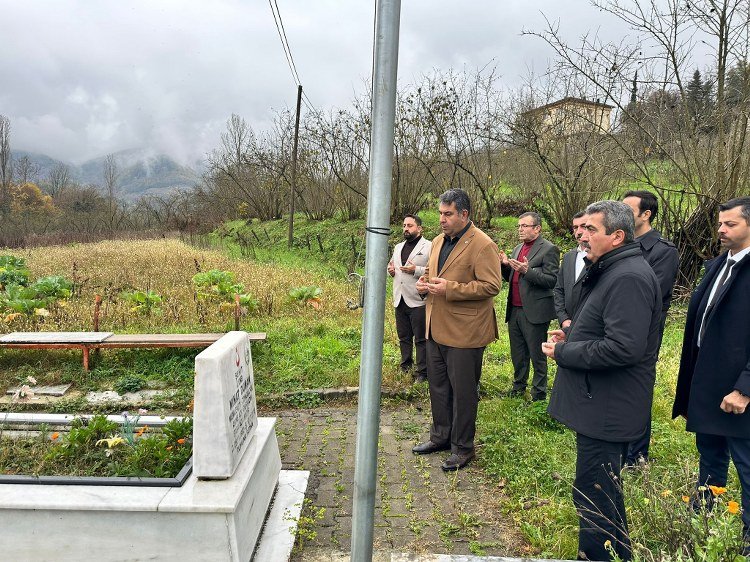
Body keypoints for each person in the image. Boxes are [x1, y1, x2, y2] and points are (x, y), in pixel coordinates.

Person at [543, 200, 661, 561]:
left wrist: (565, 352)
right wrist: (573, 336)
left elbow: (623, 348)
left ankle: (597, 556)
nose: (582, 236)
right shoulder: (612, 269)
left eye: (591, 229)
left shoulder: (628, 277)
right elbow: (607, 328)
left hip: (608, 407)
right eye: (581, 229)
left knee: (594, 493)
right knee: (601, 491)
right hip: (601, 403)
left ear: (617, 236)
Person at [672, 197, 750, 554]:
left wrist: (744, 388)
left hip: (739, 391)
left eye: (730, 224)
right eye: (720, 223)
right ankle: (701, 521)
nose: (720, 229)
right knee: (710, 456)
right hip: (708, 383)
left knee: (746, 464)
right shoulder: (719, 264)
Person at [412, 188, 501, 471]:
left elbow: (492, 286)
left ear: (464, 214)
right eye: (440, 213)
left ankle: (463, 448)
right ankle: (440, 437)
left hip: (466, 332)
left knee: (463, 393)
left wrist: (450, 288)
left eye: (448, 214)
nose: (442, 219)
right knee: (438, 387)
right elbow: (432, 273)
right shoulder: (439, 241)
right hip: (435, 326)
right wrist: (424, 284)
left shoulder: (483, 244)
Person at [621, 190, 679, 465]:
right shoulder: (620, 243)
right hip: (617, 329)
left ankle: (637, 455)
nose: (621, 215)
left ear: (646, 215)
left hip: (644, 334)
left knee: (638, 389)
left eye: (628, 210)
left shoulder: (663, 251)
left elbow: (650, 293)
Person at [500, 212, 559, 401]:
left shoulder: (549, 249)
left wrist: (528, 271)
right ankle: (518, 387)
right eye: (519, 226)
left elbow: (552, 280)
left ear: (537, 228)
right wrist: (505, 266)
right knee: (518, 353)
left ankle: (538, 394)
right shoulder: (518, 248)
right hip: (515, 309)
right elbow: (512, 277)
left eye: (524, 226)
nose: (520, 229)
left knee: (537, 354)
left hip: (535, 311)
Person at [388, 214, 432, 383]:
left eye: (410, 226)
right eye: (404, 225)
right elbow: (392, 265)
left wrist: (416, 270)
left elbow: (433, 269)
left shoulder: (429, 246)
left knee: (421, 339)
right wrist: (390, 270)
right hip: (400, 298)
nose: (406, 228)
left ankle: (422, 372)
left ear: (419, 228)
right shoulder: (398, 247)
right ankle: (405, 366)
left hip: (418, 299)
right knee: (404, 337)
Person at [553, 211, 588, 330]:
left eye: (584, 226)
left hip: (591, 326)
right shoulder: (568, 257)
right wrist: (563, 318)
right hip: (568, 326)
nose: (579, 232)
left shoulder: (600, 257)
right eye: (575, 227)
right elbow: (559, 289)